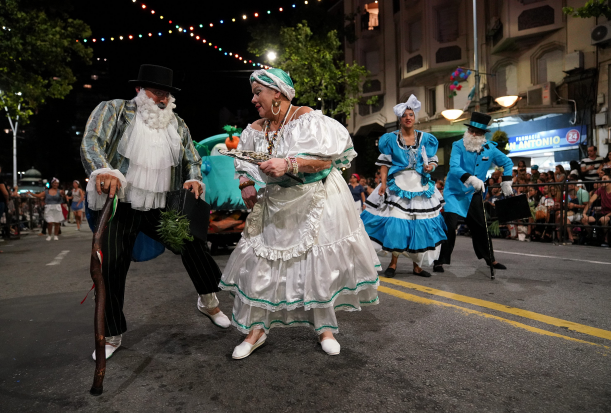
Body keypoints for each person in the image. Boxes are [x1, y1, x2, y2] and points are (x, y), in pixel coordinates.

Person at [219, 68, 380, 359]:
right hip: (275, 201)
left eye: (258, 93)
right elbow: (243, 164)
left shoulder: (306, 118)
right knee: (261, 263)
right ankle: (256, 330)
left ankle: (325, 328)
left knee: (314, 263)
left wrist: (288, 164)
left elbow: (324, 162)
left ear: (278, 93)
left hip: (315, 199)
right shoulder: (256, 129)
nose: (254, 100)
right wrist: (245, 184)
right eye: (253, 93)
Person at [80, 64, 229, 360]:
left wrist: (193, 178)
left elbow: (192, 158)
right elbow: (91, 142)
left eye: (167, 94)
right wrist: (103, 171)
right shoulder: (115, 110)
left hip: (162, 203)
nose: (162, 99)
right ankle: (110, 333)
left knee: (193, 244)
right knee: (110, 265)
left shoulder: (178, 124)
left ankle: (209, 301)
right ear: (140, 90)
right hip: (119, 201)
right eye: (156, 91)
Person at [361, 94, 447, 278]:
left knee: (419, 226)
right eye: (405, 115)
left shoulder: (426, 139)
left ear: (415, 118)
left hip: (420, 187)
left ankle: (417, 266)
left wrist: (429, 166)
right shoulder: (390, 139)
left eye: (411, 115)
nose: (408, 117)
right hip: (397, 186)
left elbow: (432, 161)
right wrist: (383, 184)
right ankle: (393, 263)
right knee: (397, 224)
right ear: (400, 119)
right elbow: (384, 165)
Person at [434, 112, 513, 273]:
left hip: (473, 194)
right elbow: (454, 168)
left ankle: (490, 259)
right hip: (454, 193)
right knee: (449, 227)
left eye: (477, 132)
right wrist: (471, 178)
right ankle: (439, 261)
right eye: (471, 130)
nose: (473, 134)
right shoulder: (458, 145)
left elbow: (508, 162)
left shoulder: (490, 148)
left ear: (483, 134)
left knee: (481, 227)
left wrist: (506, 180)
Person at [582, 175, 611, 247]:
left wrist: (607, 215)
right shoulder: (601, 189)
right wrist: (584, 213)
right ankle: (592, 237)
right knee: (584, 220)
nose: (602, 181)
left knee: (604, 220)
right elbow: (591, 201)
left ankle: (606, 239)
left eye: (604, 179)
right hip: (602, 212)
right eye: (602, 179)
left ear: (610, 181)